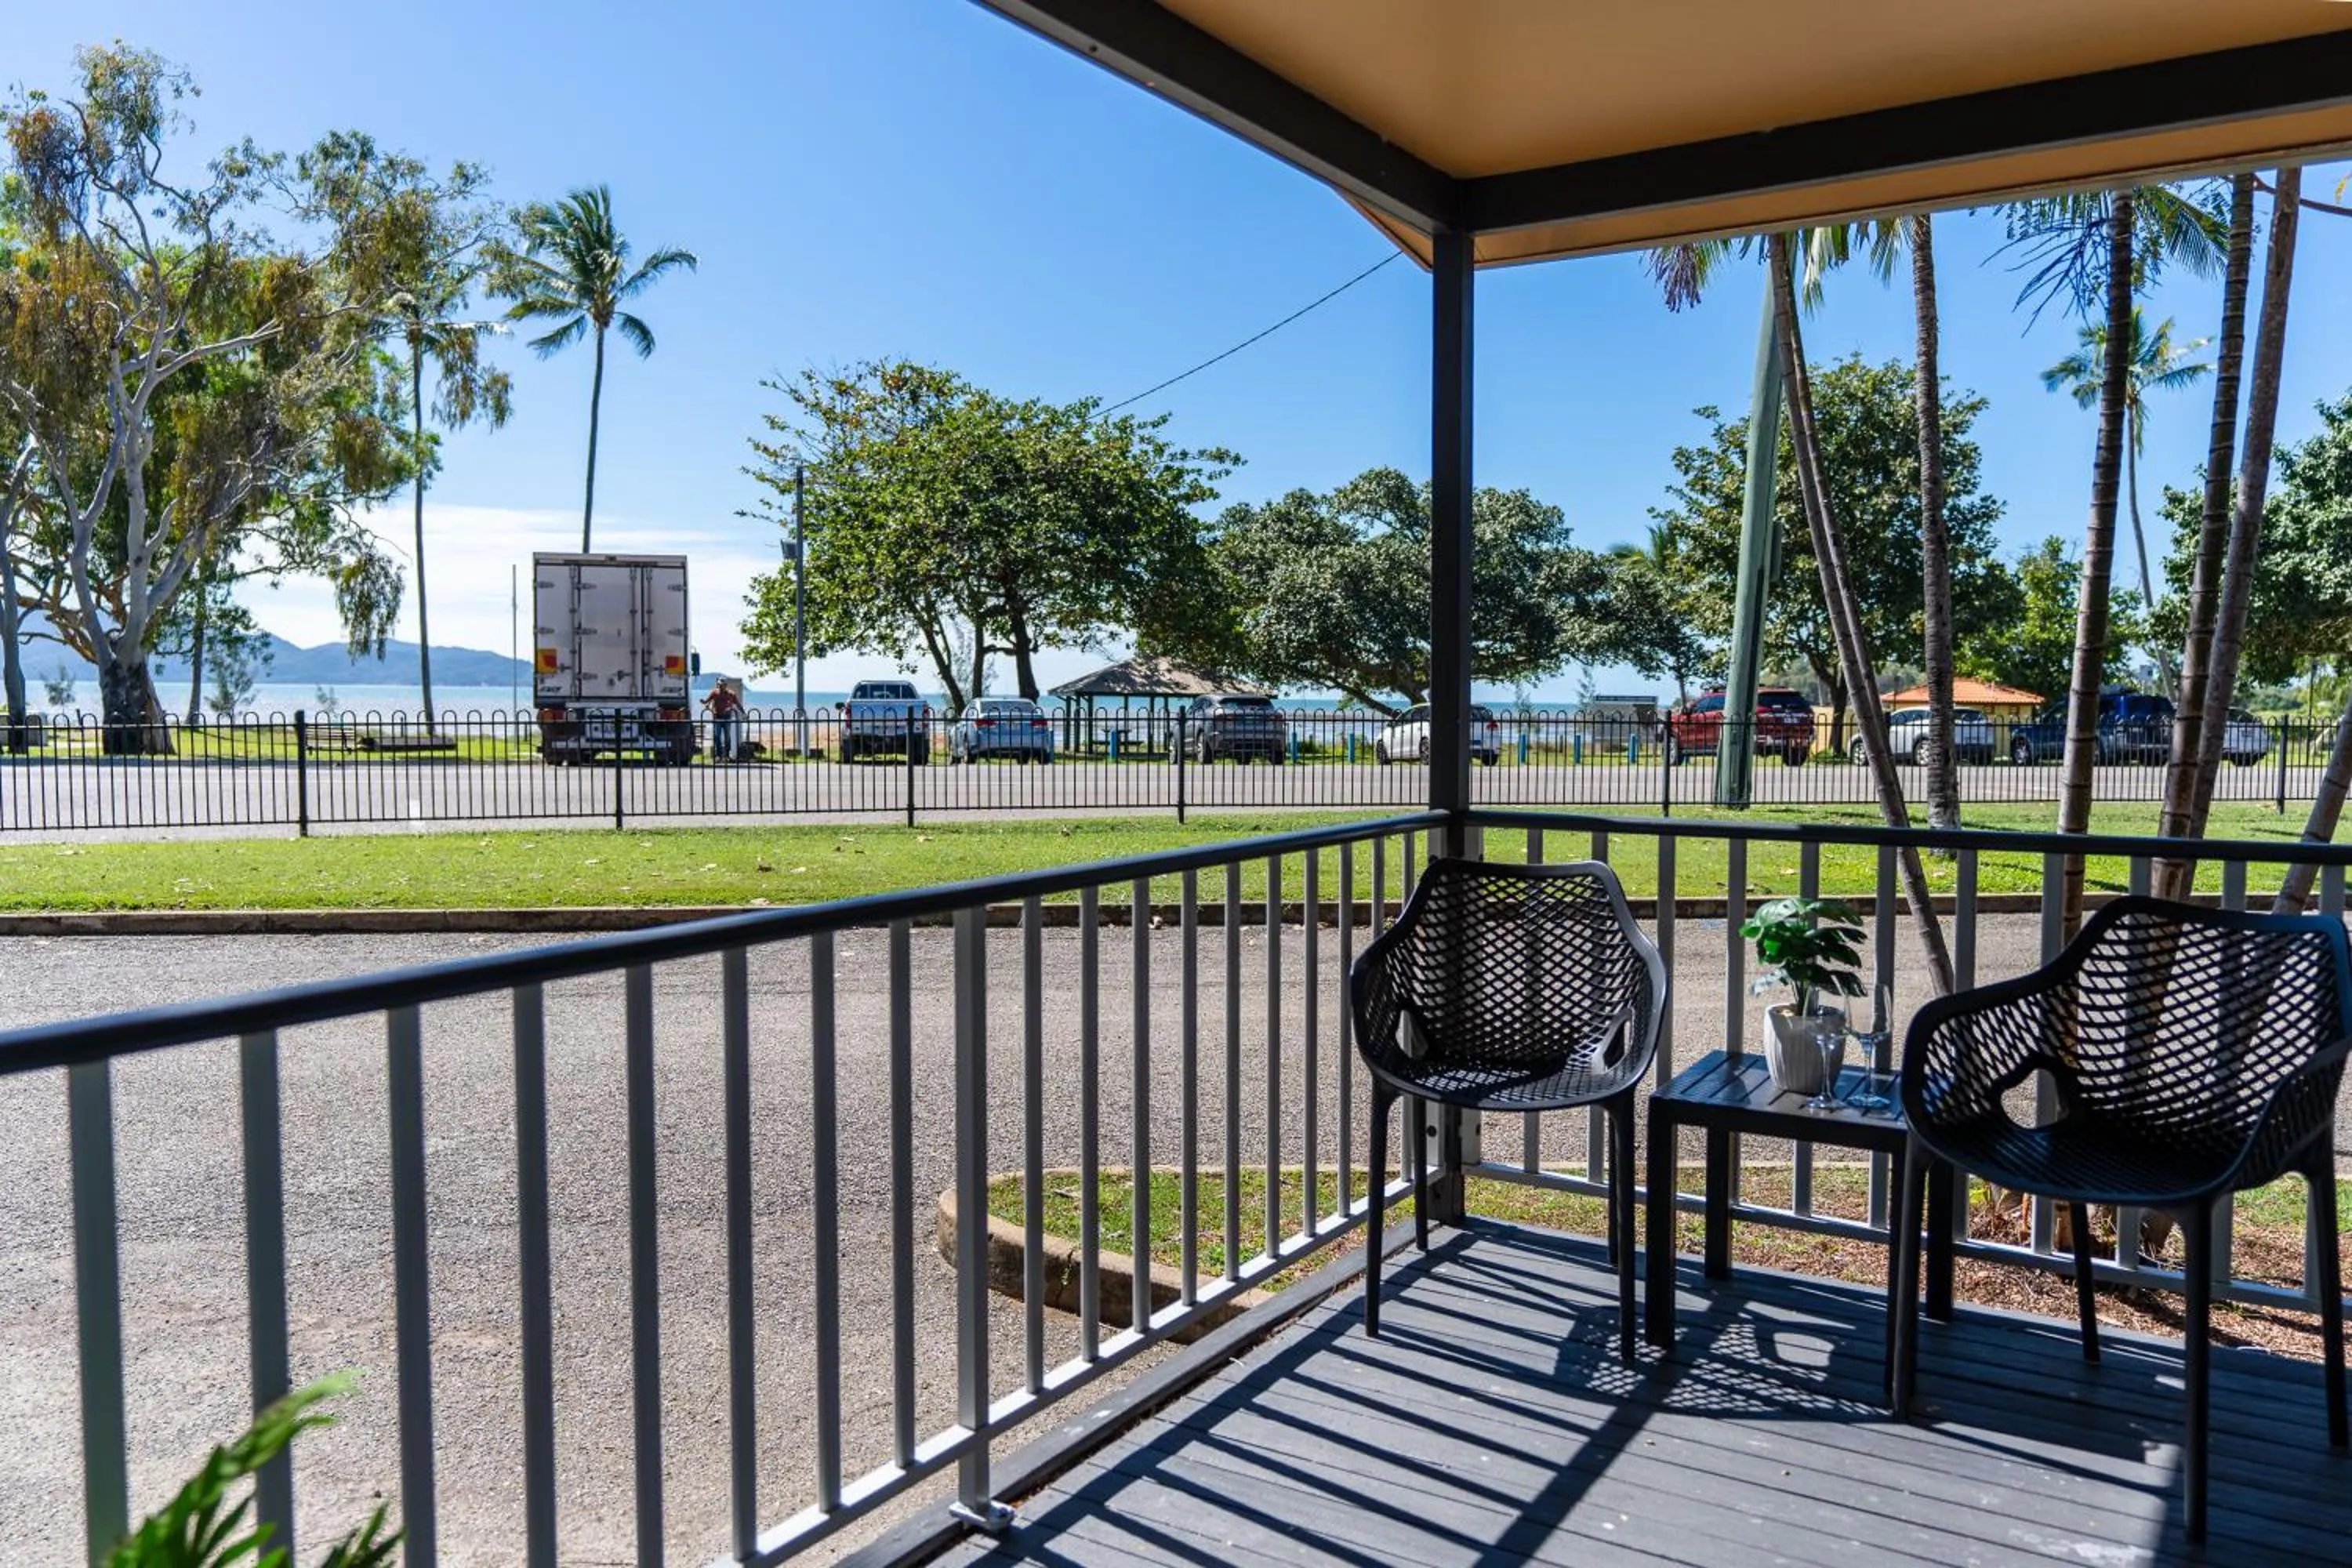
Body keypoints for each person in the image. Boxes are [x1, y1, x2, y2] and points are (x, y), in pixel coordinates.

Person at [702, 677, 744, 761]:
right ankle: (719, 755)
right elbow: (707, 701)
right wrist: (704, 702)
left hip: (727, 718)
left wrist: (744, 713)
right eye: (719, 685)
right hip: (717, 717)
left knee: (727, 737)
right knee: (717, 737)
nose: (720, 687)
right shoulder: (714, 693)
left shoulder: (731, 694)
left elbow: (738, 704)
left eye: (722, 685)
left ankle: (727, 756)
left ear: (726, 685)